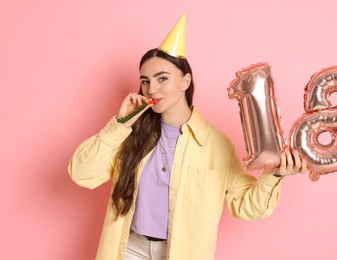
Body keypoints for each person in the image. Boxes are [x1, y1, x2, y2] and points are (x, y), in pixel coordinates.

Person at [68, 13, 307, 260]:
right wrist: (120, 125)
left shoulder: (216, 144)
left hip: (179, 253)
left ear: (185, 81)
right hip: (128, 248)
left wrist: (274, 175)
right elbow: (81, 174)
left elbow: (248, 207)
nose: (152, 89)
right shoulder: (130, 133)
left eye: (162, 78)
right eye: (145, 81)